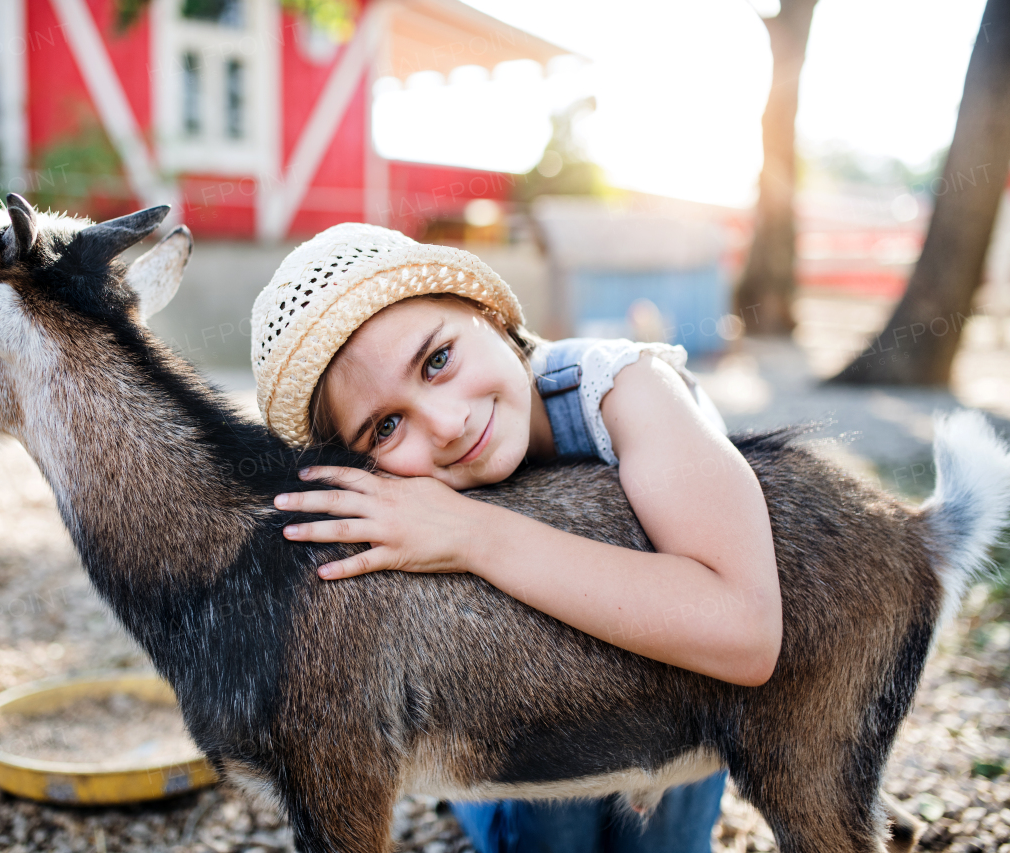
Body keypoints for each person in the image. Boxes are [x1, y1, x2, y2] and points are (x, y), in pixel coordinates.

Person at [249, 222, 780, 852]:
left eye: (437, 359)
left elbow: (744, 631)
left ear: (489, 313)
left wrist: (473, 534)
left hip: (680, 688)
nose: (446, 424)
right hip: (536, 704)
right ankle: (473, 804)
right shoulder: (408, 491)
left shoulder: (626, 391)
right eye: (386, 426)